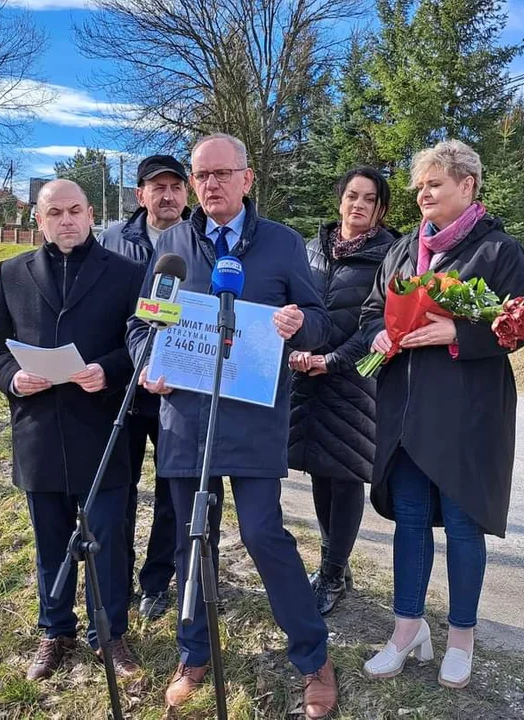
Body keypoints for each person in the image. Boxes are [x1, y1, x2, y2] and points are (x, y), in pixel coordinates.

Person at [127, 133, 339, 718]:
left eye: (224, 173)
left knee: (264, 533)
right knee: (192, 540)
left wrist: (300, 324)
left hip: (252, 419)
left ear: (248, 180)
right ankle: (193, 654)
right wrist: (149, 365)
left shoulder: (282, 244)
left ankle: (313, 657)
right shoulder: (170, 244)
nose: (211, 184)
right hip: (185, 420)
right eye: (203, 175)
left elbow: (321, 323)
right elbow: (142, 326)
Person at [359, 140, 524, 689]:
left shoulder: (499, 250)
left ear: (468, 185)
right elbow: (370, 311)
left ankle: (462, 636)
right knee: (409, 523)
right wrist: (381, 333)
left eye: (434, 183)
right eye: (419, 185)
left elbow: (519, 326)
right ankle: (407, 629)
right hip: (406, 412)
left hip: (466, 417)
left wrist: (459, 331)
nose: (422, 193)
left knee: (462, 526)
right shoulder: (402, 250)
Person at [0, 179, 144, 681]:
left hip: (104, 429)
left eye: (74, 211)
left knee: (108, 538)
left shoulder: (127, 273)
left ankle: (110, 635)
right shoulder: (12, 272)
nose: (65, 220)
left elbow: (142, 338)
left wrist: (110, 370)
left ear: (91, 215)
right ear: (38, 219)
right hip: (39, 430)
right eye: (54, 213)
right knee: (50, 540)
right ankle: (55, 630)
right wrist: (12, 377)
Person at [288, 166, 397, 616]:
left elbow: (379, 321)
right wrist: (297, 349)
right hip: (306, 374)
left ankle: (332, 573)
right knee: (318, 468)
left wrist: (332, 360)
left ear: (380, 209)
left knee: (347, 474)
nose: (358, 204)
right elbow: (292, 304)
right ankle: (335, 560)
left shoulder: (390, 254)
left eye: (368, 199)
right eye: (352, 195)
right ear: (340, 199)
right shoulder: (310, 249)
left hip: (355, 378)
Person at [98, 154, 191, 621]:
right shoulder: (113, 241)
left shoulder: (199, 241)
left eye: (177, 186)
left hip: (178, 390)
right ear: (141, 195)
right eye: (159, 187)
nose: (168, 195)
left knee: (175, 492)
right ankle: (117, 574)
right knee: (121, 488)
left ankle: (157, 581)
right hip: (123, 390)